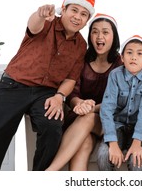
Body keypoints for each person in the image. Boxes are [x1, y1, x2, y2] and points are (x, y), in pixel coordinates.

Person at [0, 0, 95, 171]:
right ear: (64, 9)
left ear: (86, 21)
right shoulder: (47, 22)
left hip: (46, 93)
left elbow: (70, 79)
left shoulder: (81, 45)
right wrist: (40, 13)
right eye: (74, 10)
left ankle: (39, 181)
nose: (78, 17)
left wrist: (59, 96)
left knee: (52, 129)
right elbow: (33, 25)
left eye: (84, 14)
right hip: (14, 84)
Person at [46, 13, 122, 171]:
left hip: (107, 121)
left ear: (114, 37)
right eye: (95, 31)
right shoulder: (82, 59)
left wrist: (90, 108)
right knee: (84, 144)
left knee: (87, 118)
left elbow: (116, 100)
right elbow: (73, 92)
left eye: (105, 32)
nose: (99, 36)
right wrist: (79, 104)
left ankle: (49, 172)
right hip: (79, 118)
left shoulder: (120, 63)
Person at [97, 35, 142, 171]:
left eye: (139, 53)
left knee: (137, 162)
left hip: (139, 127)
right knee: (103, 156)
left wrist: (137, 142)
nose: (134, 57)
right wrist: (112, 143)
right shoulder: (115, 75)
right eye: (129, 53)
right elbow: (107, 109)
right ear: (122, 57)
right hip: (117, 124)